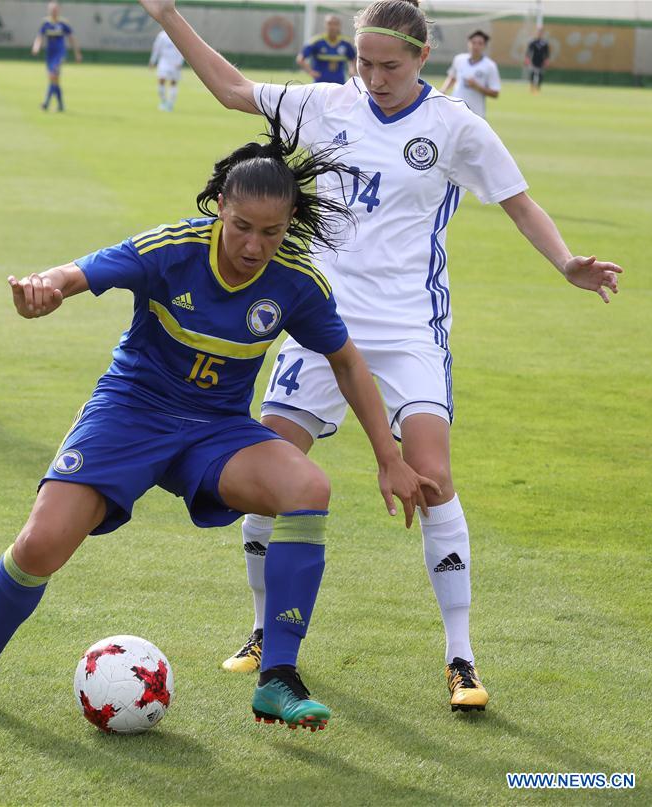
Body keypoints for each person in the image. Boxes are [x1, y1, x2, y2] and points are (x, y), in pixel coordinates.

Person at [139, 0, 622, 712]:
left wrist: (563, 263)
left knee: (430, 474)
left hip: (405, 328)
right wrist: (168, 14)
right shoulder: (327, 104)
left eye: (388, 65)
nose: (372, 77)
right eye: (363, 62)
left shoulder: (454, 126)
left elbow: (517, 201)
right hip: (319, 323)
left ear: (421, 57)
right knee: (268, 464)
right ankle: (263, 632)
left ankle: (460, 656)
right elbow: (234, 90)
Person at [0, 102, 439, 731]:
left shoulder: (296, 280)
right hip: (132, 410)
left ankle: (278, 677)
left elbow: (348, 363)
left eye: (271, 232)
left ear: (289, 222)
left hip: (215, 429)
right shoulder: (173, 249)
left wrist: (389, 457)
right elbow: (82, 271)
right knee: (42, 544)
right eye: (242, 226)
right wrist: (44, 290)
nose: (254, 245)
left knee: (307, 486)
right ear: (220, 208)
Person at [31, 1, 82, 112]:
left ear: (58, 10)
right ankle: (61, 106)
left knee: (53, 76)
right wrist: (36, 47)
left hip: (60, 54)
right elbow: (39, 37)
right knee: (55, 80)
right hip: (50, 54)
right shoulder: (45, 23)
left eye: (55, 9)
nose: (53, 11)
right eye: (51, 9)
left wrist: (77, 53)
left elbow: (71, 38)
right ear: (49, 10)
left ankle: (46, 103)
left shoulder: (63, 23)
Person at [439, 29, 500, 119]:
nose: (476, 46)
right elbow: (452, 77)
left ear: (485, 46)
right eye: (473, 42)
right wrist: (443, 89)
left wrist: (477, 86)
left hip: (475, 113)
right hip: (455, 109)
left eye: (480, 43)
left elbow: (495, 93)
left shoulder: (490, 66)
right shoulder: (459, 59)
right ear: (468, 43)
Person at [296, 14, 356, 84]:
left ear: (339, 26)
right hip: (320, 84)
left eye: (335, 24)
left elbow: (353, 59)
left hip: (339, 83)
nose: (332, 27)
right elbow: (300, 59)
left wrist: (352, 70)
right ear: (325, 25)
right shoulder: (316, 41)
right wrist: (311, 72)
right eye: (329, 24)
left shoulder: (346, 42)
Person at [150, 29, 184, 111]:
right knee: (161, 80)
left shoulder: (178, 34)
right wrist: (153, 61)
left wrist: (180, 61)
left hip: (175, 63)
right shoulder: (162, 36)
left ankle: (170, 104)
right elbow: (156, 49)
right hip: (164, 62)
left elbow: (182, 48)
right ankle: (163, 101)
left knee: (173, 83)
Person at [525, 27, 551, 94]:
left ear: (542, 33)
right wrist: (527, 59)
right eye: (538, 32)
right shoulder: (533, 42)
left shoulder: (545, 43)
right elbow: (529, 51)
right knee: (532, 74)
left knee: (540, 75)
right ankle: (532, 86)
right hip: (533, 60)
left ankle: (538, 87)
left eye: (540, 32)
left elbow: (547, 53)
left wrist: (546, 61)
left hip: (541, 61)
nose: (539, 33)